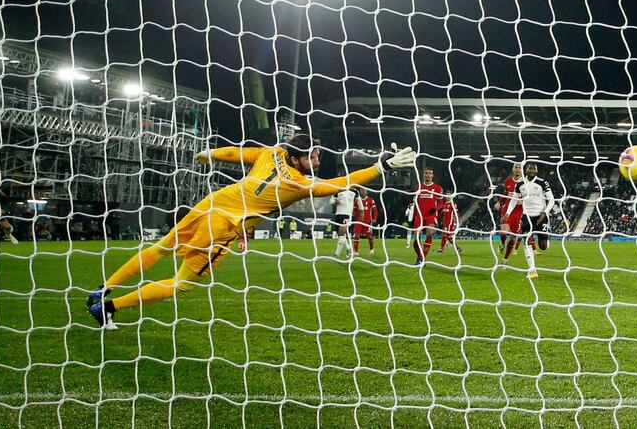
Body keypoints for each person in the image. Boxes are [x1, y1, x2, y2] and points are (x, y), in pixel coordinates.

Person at [86, 136, 417, 328]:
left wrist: (210, 154)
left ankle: (103, 290)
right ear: (299, 157)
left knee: (160, 248)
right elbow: (341, 183)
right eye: (313, 156)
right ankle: (108, 309)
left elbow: (236, 154)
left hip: (212, 203)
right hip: (226, 225)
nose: (317, 160)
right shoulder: (298, 184)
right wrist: (381, 166)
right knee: (181, 284)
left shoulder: (272, 152)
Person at [503, 162, 554, 279]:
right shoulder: (520, 183)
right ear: (526, 170)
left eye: (534, 169)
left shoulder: (542, 182)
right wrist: (507, 213)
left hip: (541, 216)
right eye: (530, 169)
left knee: (543, 246)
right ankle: (532, 270)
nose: (532, 171)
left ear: (537, 171)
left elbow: (551, 200)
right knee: (526, 242)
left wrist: (545, 212)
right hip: (526, 216)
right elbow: (513, 200)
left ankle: (546, 239)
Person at [413, 167, 442, 266]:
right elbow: (415, 201)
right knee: (417, 238)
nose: (428, 175)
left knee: (429, 233)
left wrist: (436, 209)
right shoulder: (418, 187)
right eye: (426, 173)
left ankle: (422, 259)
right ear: (423, 175)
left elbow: (441, 202)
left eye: (430, 173)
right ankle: (419, 257)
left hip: (431, 216)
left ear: (432, 175)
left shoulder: (438, 188)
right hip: (419, 216)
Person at [495, 163, 524, 262]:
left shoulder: (526, 183)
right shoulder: (508, 182)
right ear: (513, 169)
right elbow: (505, 194)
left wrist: (523, 201)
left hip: (518, 212)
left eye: (519, 168)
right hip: (507, 210)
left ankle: (505, 259)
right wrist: (499, 202)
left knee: (512, 239)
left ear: (522, 170)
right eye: (516, 167)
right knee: (503, 233)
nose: (517, 169)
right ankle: (502, 244)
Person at [331, 186, 361, 260]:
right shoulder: (338, 190)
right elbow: (331, 200)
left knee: (342, 233)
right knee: (340, 235)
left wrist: (362, 211)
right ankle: (348, 248)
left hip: (347, 214)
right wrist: (335, 201)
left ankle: (336, 254)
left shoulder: (355, 192)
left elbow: (359, 202)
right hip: (338, 214)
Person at [352, 188, 378, 256]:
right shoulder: (357, 200)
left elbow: (375, 210)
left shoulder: (370, 200)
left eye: (364, 191)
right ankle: (356, 252)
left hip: (367, 221)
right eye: (362, 191)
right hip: (359, 221)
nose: (363, 192)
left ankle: (372, 249)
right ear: (360, 192)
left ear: (367, 192)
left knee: (369, 236)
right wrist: (353, 215)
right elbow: (354, 210)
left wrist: (374, 218)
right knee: (357, 236)